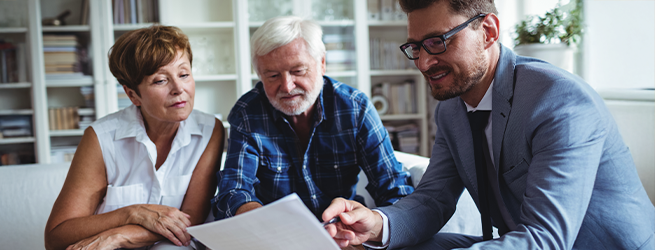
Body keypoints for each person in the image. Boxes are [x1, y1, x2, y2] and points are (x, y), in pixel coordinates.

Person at [322, 0, 655, 249]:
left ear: (489, 31)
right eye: (416, 47)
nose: (424, 62)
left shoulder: (559, 100)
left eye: (438, 41)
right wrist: (375, 224)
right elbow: (432, 200)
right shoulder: (452, 110)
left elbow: (545, 239)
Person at [212, 16, 414, 222]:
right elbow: (233, 190)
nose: (287, 86)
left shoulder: (355, 108)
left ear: (322, 63)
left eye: (298, 71)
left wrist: (371, 228)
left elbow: (394, 188)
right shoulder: (247, 112)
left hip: (342, 230)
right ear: (260, 74)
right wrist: (260, 219)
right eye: (272, 75)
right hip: (276, 233)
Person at [44, 25, 224, 250]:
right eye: (160, 80)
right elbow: (56, 237)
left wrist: (118, 236)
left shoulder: (210, 130)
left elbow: (190, 221)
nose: (179, 88)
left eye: (184, 74)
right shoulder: (101, 138)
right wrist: (131, 213)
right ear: (132, 94)